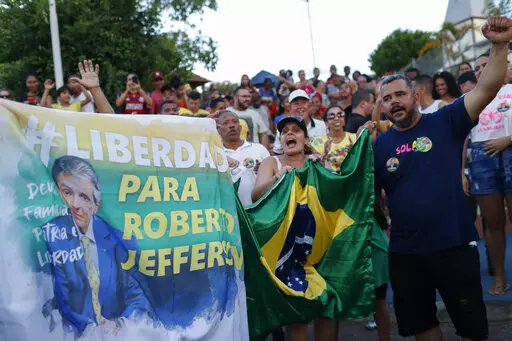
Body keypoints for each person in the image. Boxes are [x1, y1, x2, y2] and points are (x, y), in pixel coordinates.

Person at [366, 16, 512, 341]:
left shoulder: (447, 120)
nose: (394, 102)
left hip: (454, 246)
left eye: (399, 95)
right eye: (386, 99)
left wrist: (500, 45)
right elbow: (371, 197)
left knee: (473, 329)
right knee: (422, 328)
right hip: (406, 254)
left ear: (415, 96)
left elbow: (487, 87)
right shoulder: (379, 145)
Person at [44, 155, 154, 336]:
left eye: (84, 197)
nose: (74, 205)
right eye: (67, 193)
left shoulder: (115, 238)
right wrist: (89, 331)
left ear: (97, 206)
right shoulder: (48, 235)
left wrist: (119, 324)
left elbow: (137, 297)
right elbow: (48, 302)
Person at [252, 116, 337, 341]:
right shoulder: (272, 162)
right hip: (287, 250)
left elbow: (332, 199)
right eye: (285, 131)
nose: (290, 134)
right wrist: (277, 179)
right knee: (297, 316)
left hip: (319, 245)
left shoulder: (316, 162)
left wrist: (323, 171)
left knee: (326, 311)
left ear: (305, 138)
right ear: (280, 139)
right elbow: (256, 194)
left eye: (296, 130)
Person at [312, 105, 391, 341]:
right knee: (330, 291)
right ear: (325, 121)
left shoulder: (356, 137)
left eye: (340, 114)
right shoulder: (316, 143)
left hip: (361, 211)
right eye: (331, 115)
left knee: (378, 290)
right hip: (329, 219)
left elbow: (369, 154)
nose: (337, 118)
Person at [469, 49, 512, 296]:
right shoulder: (471, 98)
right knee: (492, 221)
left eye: (484, 64)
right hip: (481, 158)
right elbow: (463, 136)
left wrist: (507, 140)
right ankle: (500, 277)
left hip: (510, 152)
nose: (480, 70)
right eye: (476, 68)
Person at [217, 111, 269, 205]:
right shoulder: (216, 154)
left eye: (235, 122)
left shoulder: (259, 149)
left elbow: (272, 178)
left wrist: (264, 170)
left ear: (240, 127)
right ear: (218, 130)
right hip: (228, 210)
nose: (232, 125)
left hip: (257, 209)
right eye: (226, 123)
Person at [273, 90, 327, 155]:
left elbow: (325, 150)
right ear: (289, 107)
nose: (300, 106)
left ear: (309, 105)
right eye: (296, 103)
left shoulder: (321, 125)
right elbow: (277, 152)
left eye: (303, 102)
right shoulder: (283, 129)